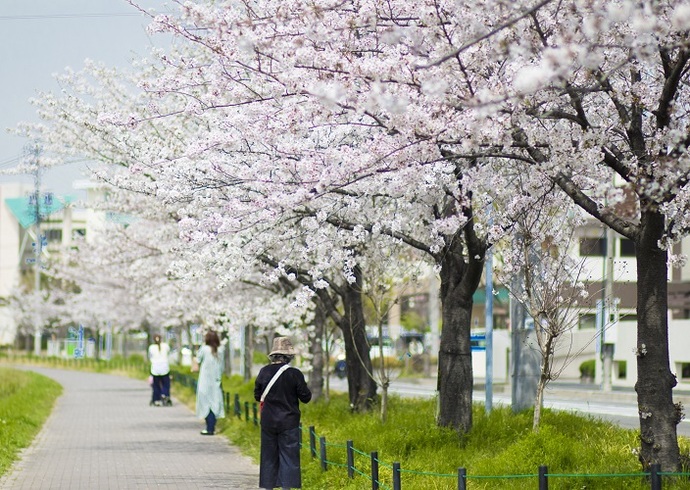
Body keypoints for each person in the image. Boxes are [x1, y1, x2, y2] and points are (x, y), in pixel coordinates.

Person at [254, 337, 312, 490]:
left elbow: (257, 395)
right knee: (289, 456)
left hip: (268, 421)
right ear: (288, 356)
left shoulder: (264, 371)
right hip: (288, 422)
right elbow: (306, 397)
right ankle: (287, 487)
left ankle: (268, 487)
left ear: (273, 355)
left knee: (268, 456)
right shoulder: (294, 374)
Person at [195, 330, 226, 435]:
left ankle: (209, 428)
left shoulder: (204, 349)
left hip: (205, 381)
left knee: (205, 404)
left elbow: (197, 360)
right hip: (216, 380)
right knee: (214, 403)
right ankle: (211, 428)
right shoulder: (220, 350)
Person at [148, 334, 171, 406]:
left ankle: (156, 399)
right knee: (166, 384)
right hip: (164, 368)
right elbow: (168, 353)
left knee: (156, 385)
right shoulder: (165, 346)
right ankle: (164, 394)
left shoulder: (151, 347)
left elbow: (150, 356)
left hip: (155, 368)